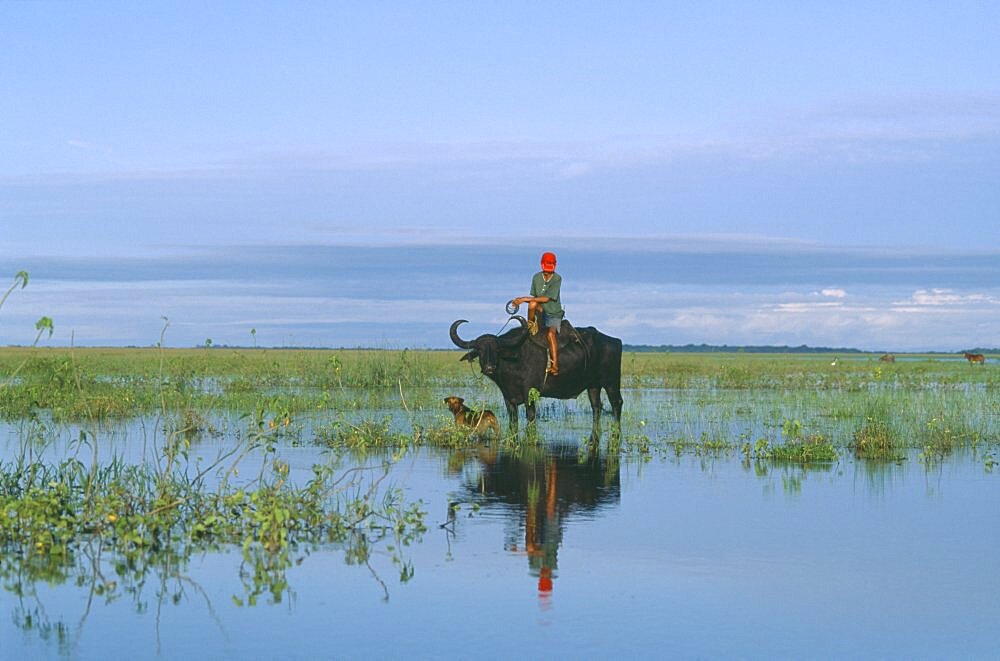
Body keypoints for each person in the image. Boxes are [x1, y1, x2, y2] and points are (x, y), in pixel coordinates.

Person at [511, 251, 563, 376]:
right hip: (541, 310)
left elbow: (546, 299)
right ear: (541, 265)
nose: (547, 272)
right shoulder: (536, 277)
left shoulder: (557, 278)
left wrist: (523, 299)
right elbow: (535, 298)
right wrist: (523, 301)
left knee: (551, 334)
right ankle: (531, 325)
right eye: (546, 268)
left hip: (553, 313)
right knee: (532, 304)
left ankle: (555, 365)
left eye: (549, 269)